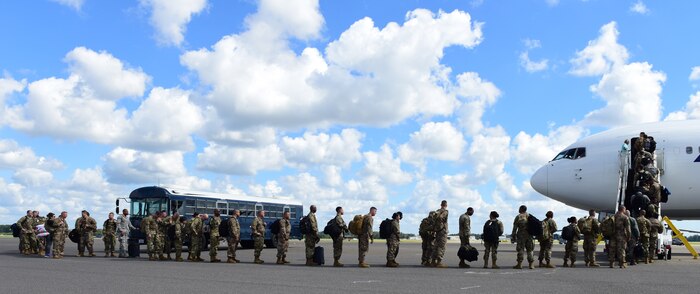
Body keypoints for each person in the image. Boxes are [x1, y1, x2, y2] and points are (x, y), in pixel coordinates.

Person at [512, 205, 534, 269]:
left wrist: (513, 235)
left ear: (521, 209)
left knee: (520, 250)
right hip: (529, 236)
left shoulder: (518, 216)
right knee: (530, 250)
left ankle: (519, 264)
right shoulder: (529, 216)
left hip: (521, 236)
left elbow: (515, 228)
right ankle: (531, 264)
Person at [431, 200, 449, 268]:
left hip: (437, 230)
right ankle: (439, 262)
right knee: (441, 246)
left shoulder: (437, 211)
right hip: (442, 231)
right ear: (446, 205)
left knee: (436, 246)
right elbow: (441, 217)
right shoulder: (445, 211)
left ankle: (433, 261)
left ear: (440, 204)